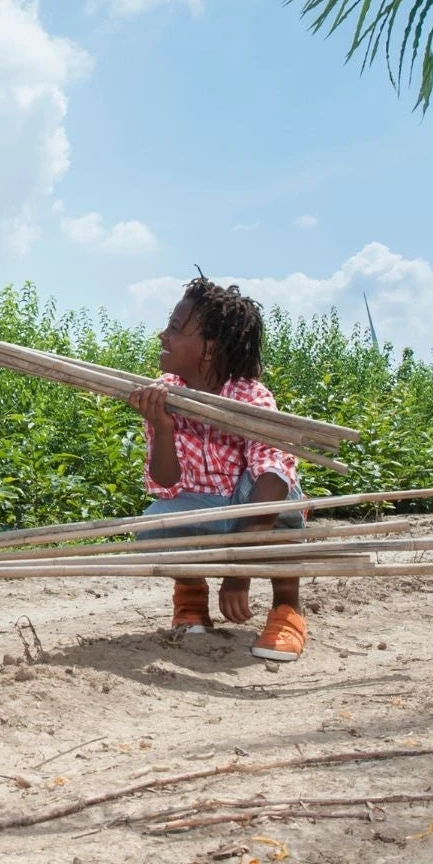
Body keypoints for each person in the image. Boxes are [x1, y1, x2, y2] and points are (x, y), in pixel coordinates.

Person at [127, 276, 308, 662]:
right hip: (206, 510)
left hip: (257, 512)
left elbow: (272, 478)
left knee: (275, 492)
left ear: (209, 349)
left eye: (175, 329)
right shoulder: (165, 391)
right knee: (153, 527)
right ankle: (191, 594)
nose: (163, 335)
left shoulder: (250, 396)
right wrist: (162, 425)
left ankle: (287, 609)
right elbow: (165, 481)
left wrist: (237, 572)